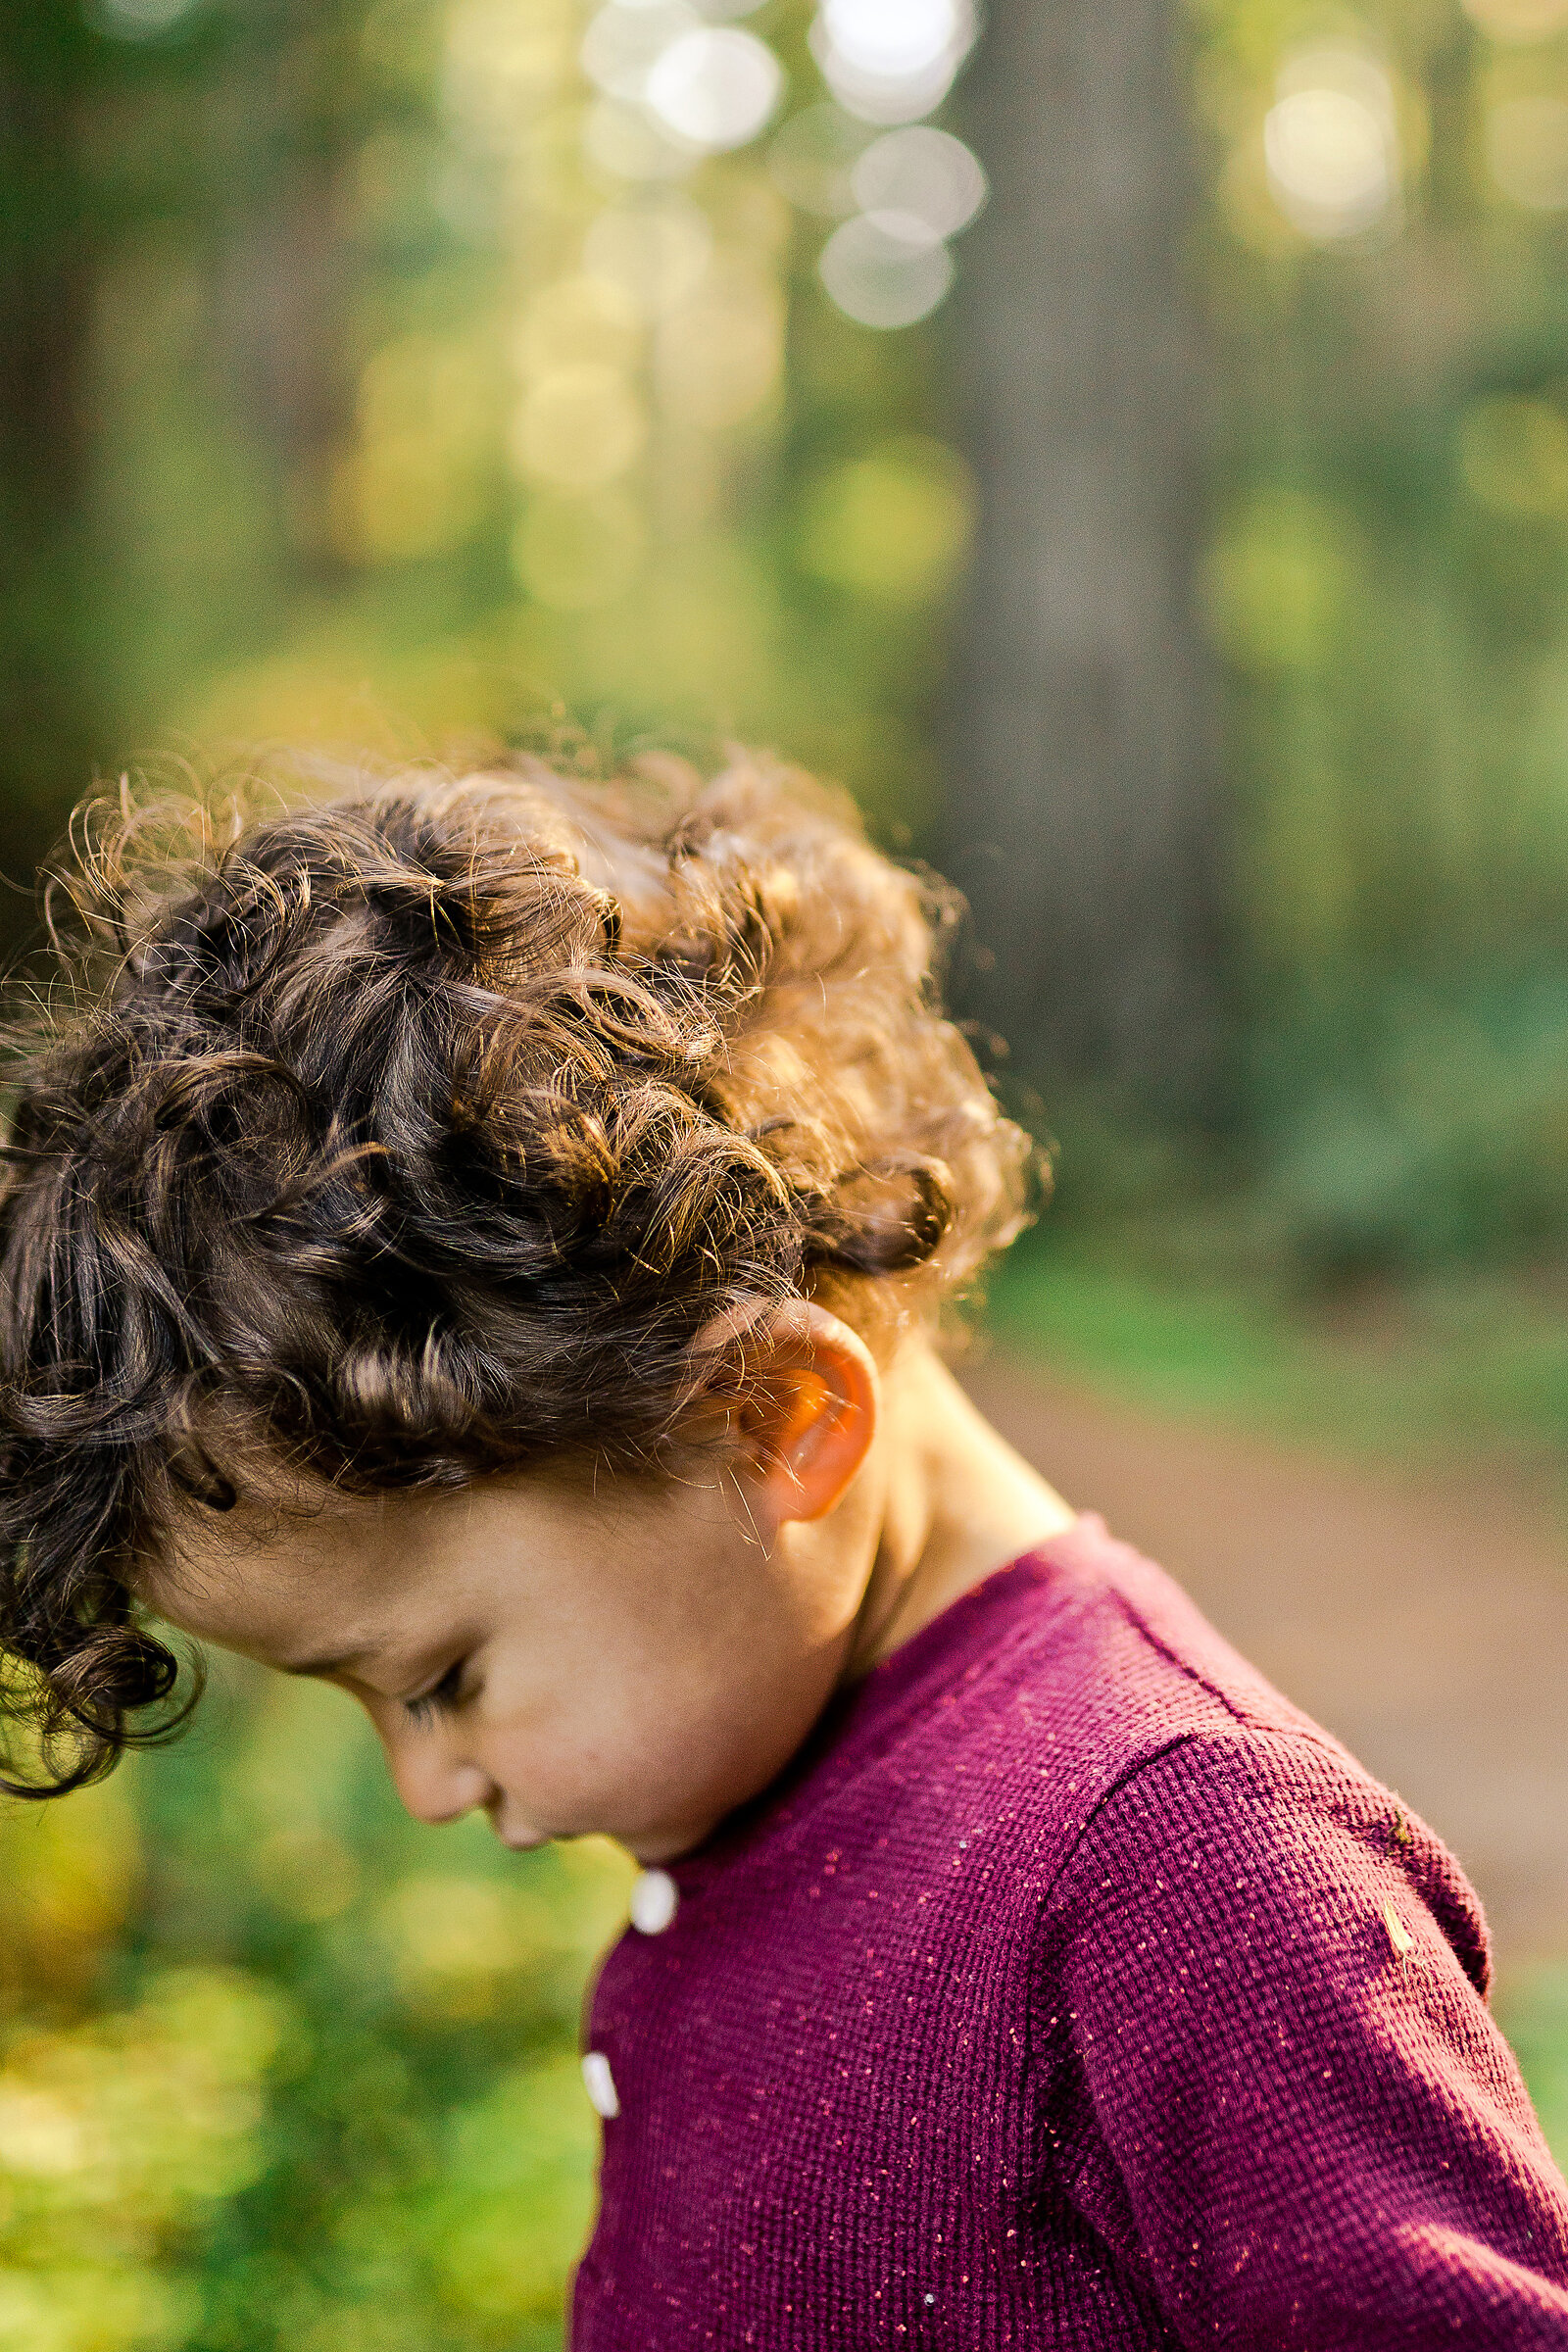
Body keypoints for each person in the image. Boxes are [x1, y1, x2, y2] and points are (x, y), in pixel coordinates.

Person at [1, 752, 1565, 2349]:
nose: (431, 1787)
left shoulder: (1182, 1868)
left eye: (443, 1678)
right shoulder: (775, 1780)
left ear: (767, 1417)